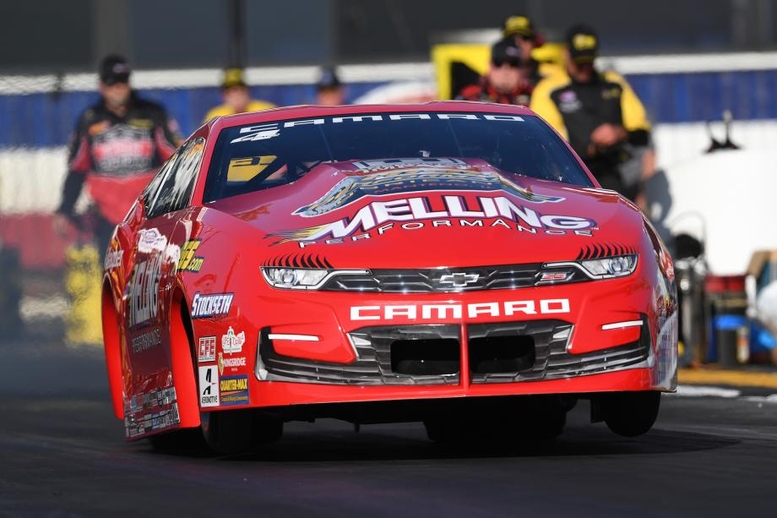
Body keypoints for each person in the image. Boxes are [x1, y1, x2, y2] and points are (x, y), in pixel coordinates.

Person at [54, 54, 183, 261]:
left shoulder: (152, 115)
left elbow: (178, 160)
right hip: (106, 216)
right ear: (102, 86)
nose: (118, 88)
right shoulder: (90, 120)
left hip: (149, 213)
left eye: (123, 82)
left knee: (151, 276)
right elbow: (77, 168)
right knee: (112, 280)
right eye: (112, 83)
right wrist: (64, 209)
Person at [529, 24, 653, 202]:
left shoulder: (614, 83)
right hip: (570, 179)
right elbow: (547, 144)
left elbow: (643, 135)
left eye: (589, 61)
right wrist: (592, 146)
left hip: (617, 174)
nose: (585, 68)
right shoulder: (549, 89)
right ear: (566, 55)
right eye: (579, 63)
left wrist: (620, 132)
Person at [456, 38, 533, 106]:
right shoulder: (470, 97)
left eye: (513, 64)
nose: (505, 71)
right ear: (489, 66)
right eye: (498, 63)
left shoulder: (535, 96)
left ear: (522, 68)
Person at [501, 13, 561, 88]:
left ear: (535, 42)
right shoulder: (492, 77)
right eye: (511, 39)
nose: (518, 43)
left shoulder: (552, 74)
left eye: (525, 37)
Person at [203, 67, 275, 122]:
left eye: (240, 90)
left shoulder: (266, 111)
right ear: (223, 95)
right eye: (230, 91)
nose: (236, 95)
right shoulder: (215, 118)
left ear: (248, 91)